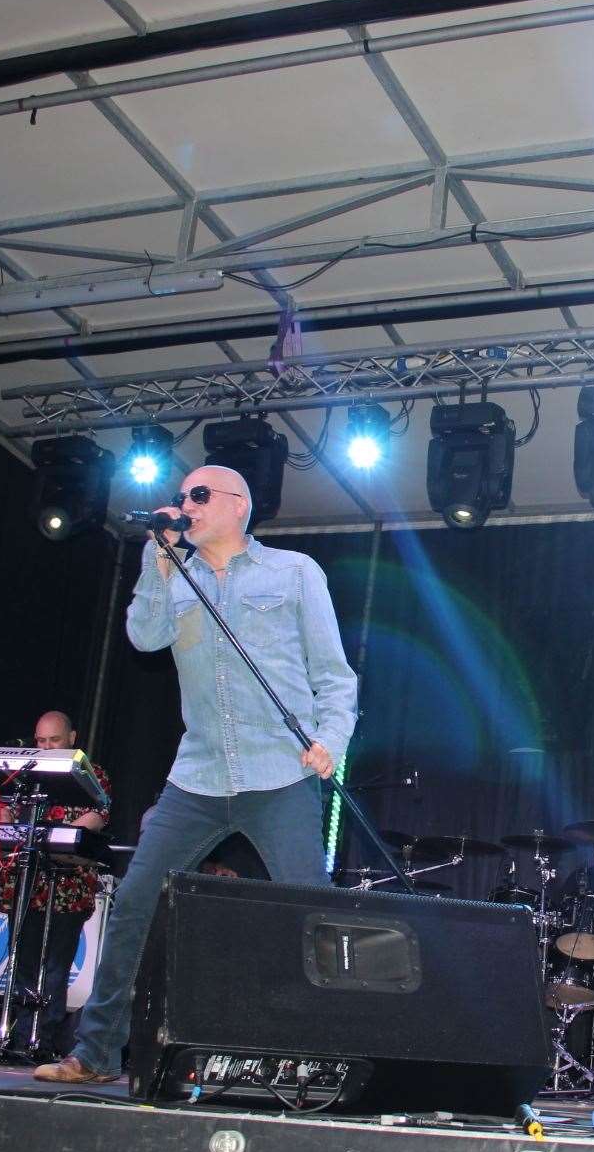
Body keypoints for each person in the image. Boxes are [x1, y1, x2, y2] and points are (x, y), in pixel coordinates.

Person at [36, 465, 358, 1084]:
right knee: (133, 904)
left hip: (281, 772)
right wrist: (155, 564)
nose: (185, 504)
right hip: (199, 775)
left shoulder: (293, 573)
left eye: (199, 496)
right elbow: (143, 636)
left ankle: (322, 1055)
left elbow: (335, 675)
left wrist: (330, 741)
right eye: (182, 496)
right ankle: (97, 1054)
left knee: (310, 912)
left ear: (240, 505)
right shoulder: (172, 574)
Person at [0, 710, 111, 1055]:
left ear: (72, 738)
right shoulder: (24, 774)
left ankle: (44, 1042)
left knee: (56, 969)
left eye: (53, 740)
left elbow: (97, 817)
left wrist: (57, 838)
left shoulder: (92, 775)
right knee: (22, 965)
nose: (45, 747)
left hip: (67, 887)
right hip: (26, 884)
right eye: (40, 741)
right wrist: (5, 818)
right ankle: (16, 1040)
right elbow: (3, 816)